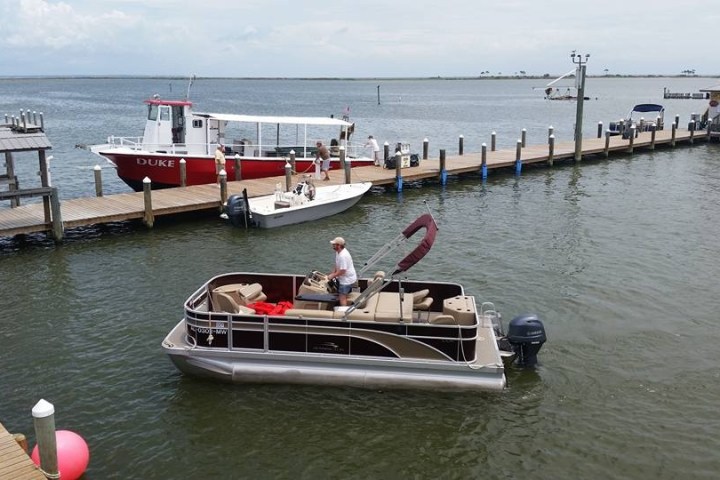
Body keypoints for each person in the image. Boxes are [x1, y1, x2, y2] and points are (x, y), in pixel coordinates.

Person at [327, 236, 357, 306]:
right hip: (343, 277)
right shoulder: (338, 252)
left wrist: (333, 275)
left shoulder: (343, 256)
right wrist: (333, 272)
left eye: (334, 244)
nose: (332, 246)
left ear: (339, 245)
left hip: (346, 280)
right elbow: (337, 263)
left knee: (342, 296)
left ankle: (343, 312)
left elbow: (343, 270)